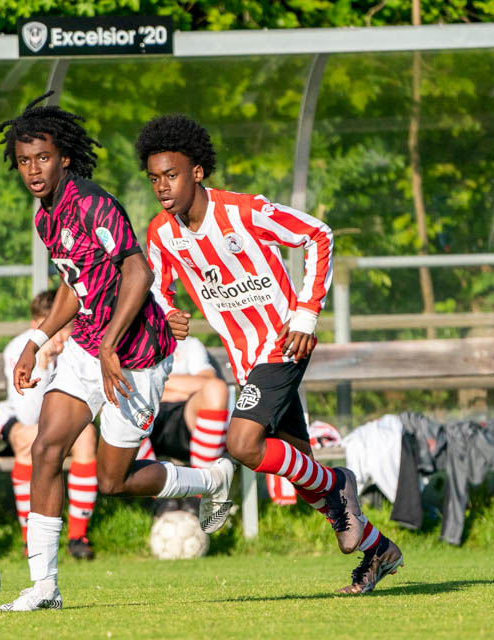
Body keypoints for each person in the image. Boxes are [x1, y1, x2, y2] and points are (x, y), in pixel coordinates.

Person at [137, 113, 403, 594]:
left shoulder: (243, 212)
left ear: (197, 171)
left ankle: (340, 481)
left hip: (282, 344)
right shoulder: (161, 233)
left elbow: (319, 234)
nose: (162, 186)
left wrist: (305, 315)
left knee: (242, 444)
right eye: (154, 178)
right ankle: (378, 549)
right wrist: (167, 314)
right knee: (303, 476)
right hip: (246, 361)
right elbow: (157, 288)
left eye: (171, 175)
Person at [0, 94, 234, 611]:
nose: (33, 169)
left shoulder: (91, 203)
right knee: (45, 450)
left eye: (43, 158)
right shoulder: (45, 218)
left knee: (114, 481)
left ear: (64, 158)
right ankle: (44, 586)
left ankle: (212, 477)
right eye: (24, 160)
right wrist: (37, 341)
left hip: (137, 356)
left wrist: (111, 344)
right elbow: (74, 284)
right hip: (87, 349)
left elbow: (137, 270)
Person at [0, 290, 98, 559]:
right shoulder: (18, 349)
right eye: (53, 328)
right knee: (28, 439)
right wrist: (41, 364)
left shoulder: (78, 349)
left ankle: (77, 536)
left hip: (57, 422)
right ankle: (30, 538)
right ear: (36, 326)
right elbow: (28, 415)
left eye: (66, 327)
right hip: (18, 419)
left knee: (87, 435)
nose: (60, 336)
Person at [135, 335, 231, 513]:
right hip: (143, 419)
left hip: (185, 419)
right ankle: (159, 497)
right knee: (121, 404)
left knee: (216, 390)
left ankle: (200, 494)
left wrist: (155, 382)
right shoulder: (131, 340)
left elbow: (208, 381)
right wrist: (183, 386)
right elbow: (123, 386)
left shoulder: (189, 344)